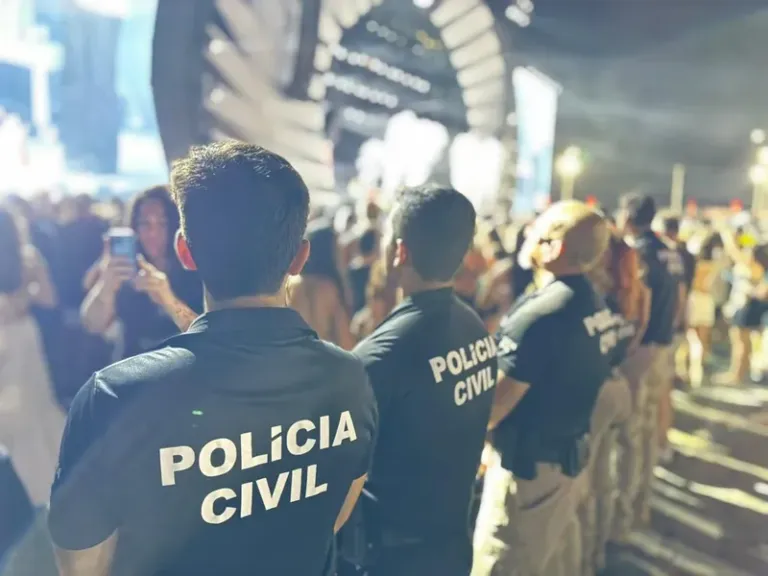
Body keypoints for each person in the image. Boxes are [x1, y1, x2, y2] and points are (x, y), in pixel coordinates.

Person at [49, 142, 378, 576]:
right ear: (299, 257)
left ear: (185, 252)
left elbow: (81, 566)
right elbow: (334, 512)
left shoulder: (113, 399)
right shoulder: (349, 377)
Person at [348, 186, 496, 576]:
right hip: (450, 544)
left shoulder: (379, 357)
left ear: (400, 252)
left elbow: (343, 473)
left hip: (392, 557)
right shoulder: (476, 331)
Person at [473, 200, 615, 576]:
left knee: (501, 562)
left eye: (537, 228)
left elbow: (493, 408)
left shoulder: (542, 315)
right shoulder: (591, 302)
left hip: (527, 475)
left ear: (555, 247)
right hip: (564, 461)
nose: (527, 235)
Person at [614, 193, 682, 531]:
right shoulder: (669, 249)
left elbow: (639, 306)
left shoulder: (638, 251)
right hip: (663, 346)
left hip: (641, 352)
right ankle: (641, 503)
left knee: (631, 436)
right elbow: (679, 298)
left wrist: (630, 347)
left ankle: (624, 518)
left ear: (627, 215)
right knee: (646, 430)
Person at [80, 185, 203, 360]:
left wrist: (168, 300)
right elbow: (92, 324)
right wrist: (106, 285)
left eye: (162, 224)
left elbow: (204, 334)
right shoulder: (126, 267)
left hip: (182, 374)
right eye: (145, 223)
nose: (153, 233)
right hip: (132, 370)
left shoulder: (194, 269)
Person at [0, 207, 65, 507]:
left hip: (10, 343)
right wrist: (27, 290)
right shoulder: (28, 257)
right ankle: (48, 490)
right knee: (36, 412)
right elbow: (49, 298)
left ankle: (27, 494)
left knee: (16, 421)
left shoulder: (27, 258)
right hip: (25, 338)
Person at [289, 221, 355, 349]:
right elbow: (346, 342)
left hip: (294, 360)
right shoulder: (329, 288)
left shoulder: (291, 285)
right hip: (325, 361)